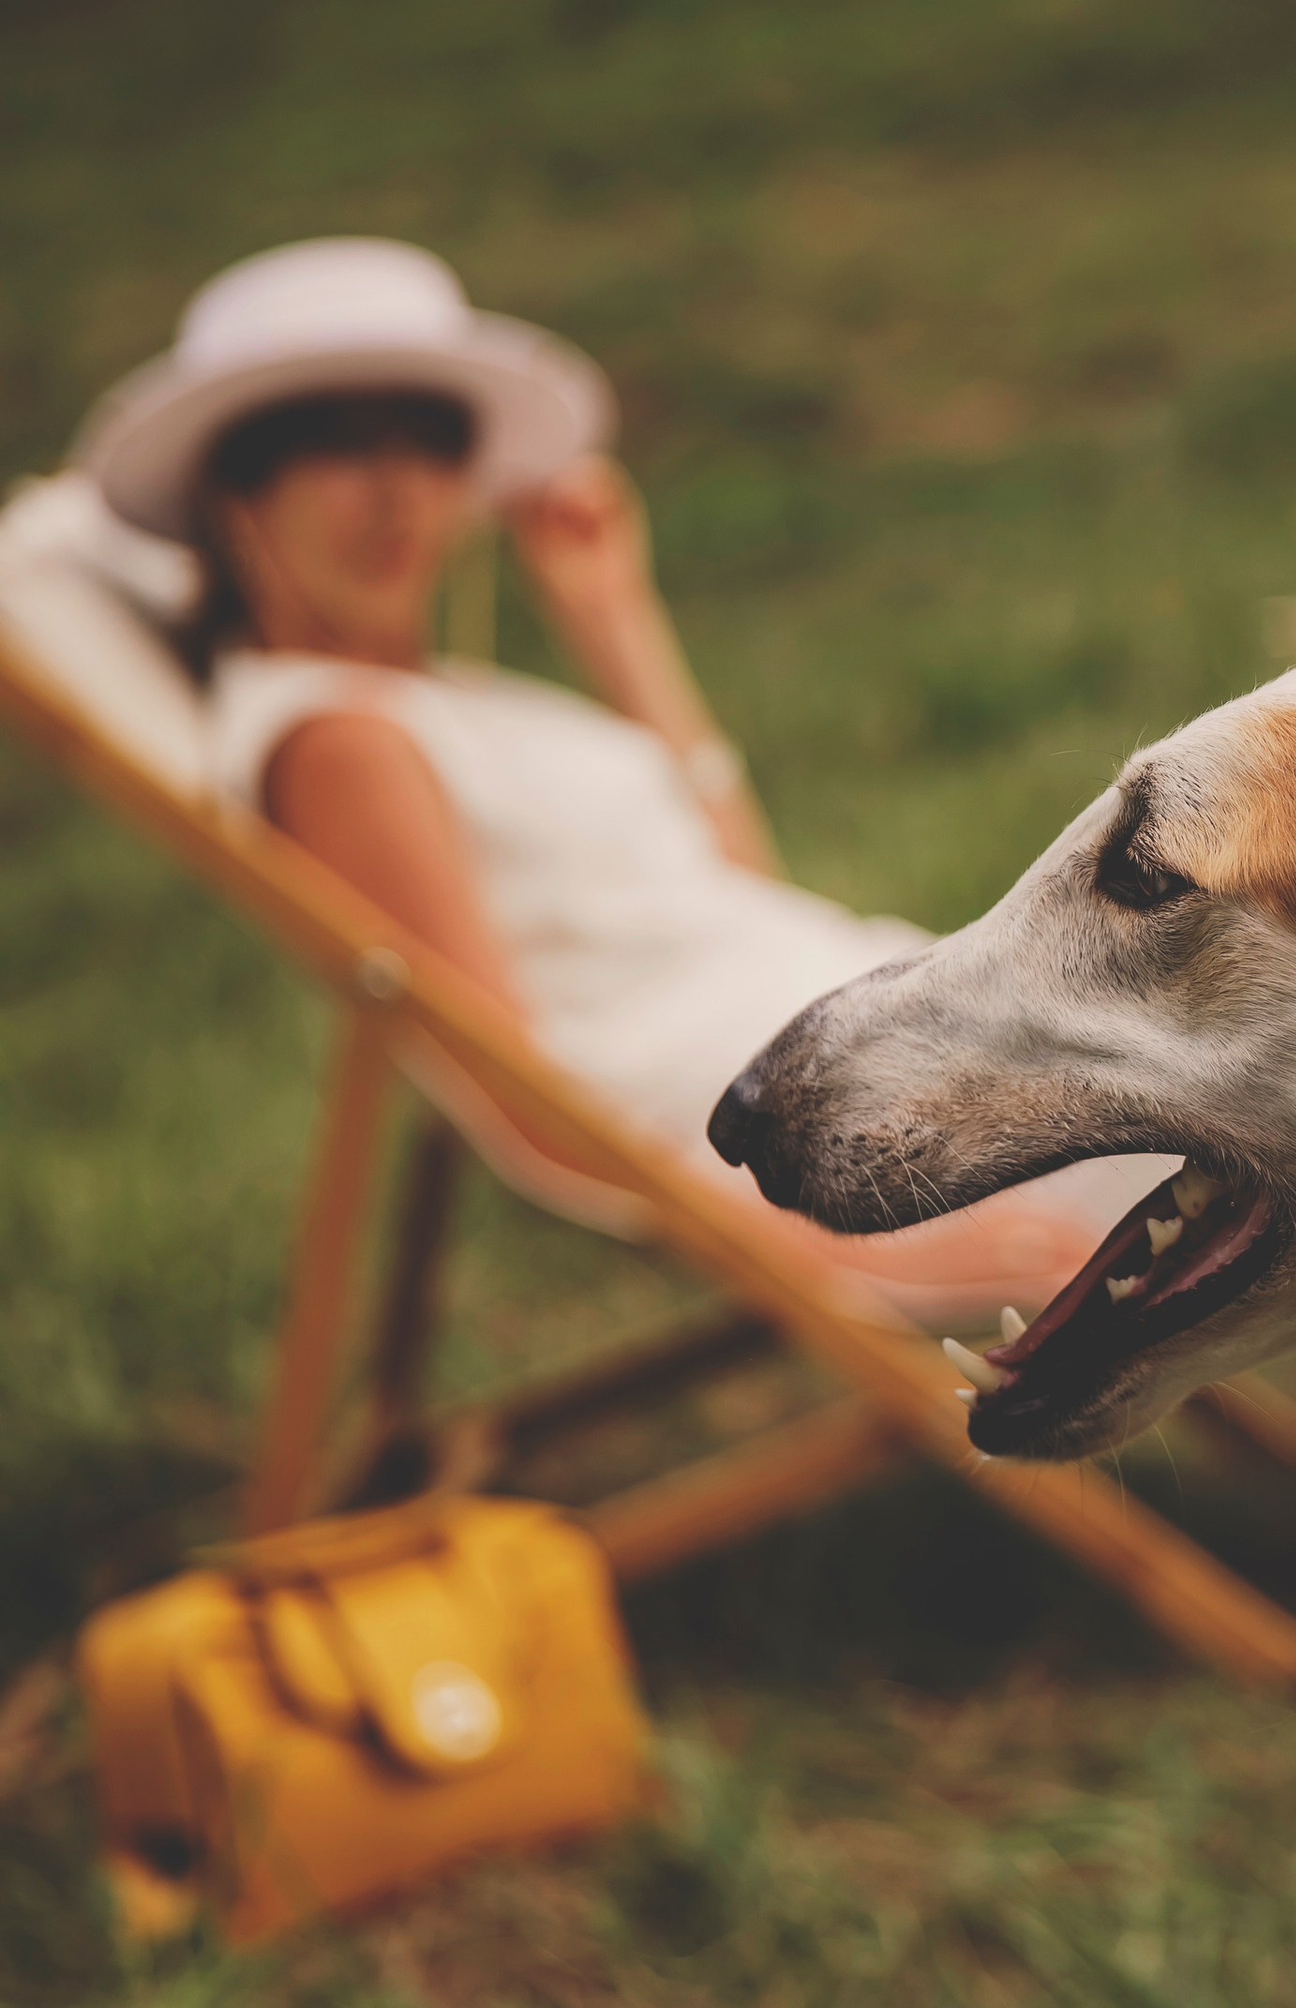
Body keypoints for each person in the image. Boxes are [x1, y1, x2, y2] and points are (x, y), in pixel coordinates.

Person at [73, 238, 1144, 1322]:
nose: (399, 494)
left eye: (433, 442)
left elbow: (742, 890)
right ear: (237, 493)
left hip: (871, 1024)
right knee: (1194, 1137)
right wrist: (838, 1254)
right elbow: (520, 1092)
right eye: (341, 447)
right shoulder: (337, 740)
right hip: (818, 1126)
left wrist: (611, 617)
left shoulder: (440, 696)